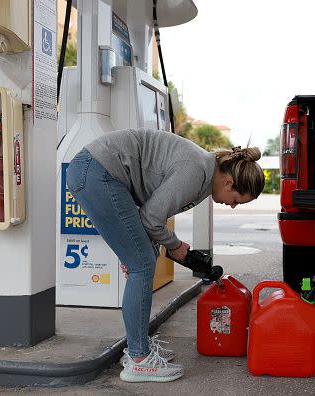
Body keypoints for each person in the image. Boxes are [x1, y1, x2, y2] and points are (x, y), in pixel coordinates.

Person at [66, 129, 265, 383]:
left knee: (141, 261)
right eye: (237, 199)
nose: (233, 205)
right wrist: (175, 245)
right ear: (228, 182)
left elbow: (150, 214)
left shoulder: (204, 175)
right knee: (142, 266)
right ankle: (139, 360)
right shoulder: (196, 172)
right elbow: (151, 219)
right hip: (98, 172)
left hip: (97, 171)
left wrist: (149, 248)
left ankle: (140, 348)